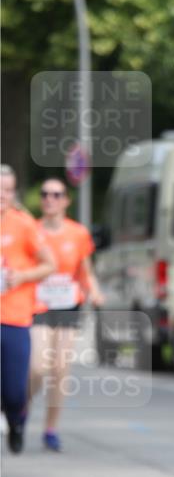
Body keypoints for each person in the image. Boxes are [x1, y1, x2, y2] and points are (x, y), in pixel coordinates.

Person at [30, 177, 104, 452]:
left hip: (68, 305)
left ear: (66, 201)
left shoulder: (77, 233)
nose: (50, 198)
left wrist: (94, 291)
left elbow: (85, 270)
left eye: (56, 194)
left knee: (60, 368)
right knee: (38, 367)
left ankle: (50, 429)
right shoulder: (33, 230)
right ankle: (20, 408)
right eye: (45, 193)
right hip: (38, 305)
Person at [0, 165, 55, 453]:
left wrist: (20, 277)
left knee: (12, 391)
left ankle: (16, 420)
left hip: (14, 317)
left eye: (8, 190)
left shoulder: (23, 224)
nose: (3, 195)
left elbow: (49, 264)